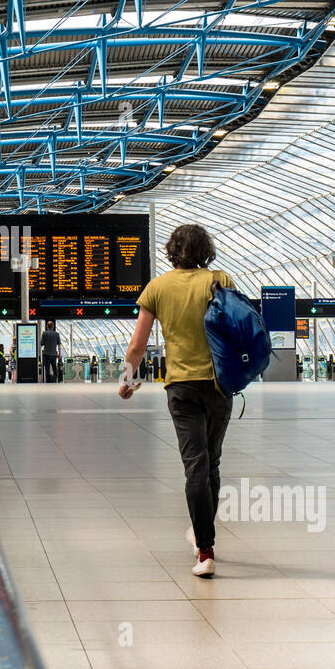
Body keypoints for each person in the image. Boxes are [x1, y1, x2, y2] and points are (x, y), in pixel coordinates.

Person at [120, 223, 233, 579]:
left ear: (172, 251)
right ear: (206, 250)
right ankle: (204, 535)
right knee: (211, 463)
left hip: (181, 388)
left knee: (195, 466)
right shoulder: (219, 280)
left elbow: (138, 345)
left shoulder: (158, 288)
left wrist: (127, 379)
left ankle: (205, 547)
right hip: (219, 386)